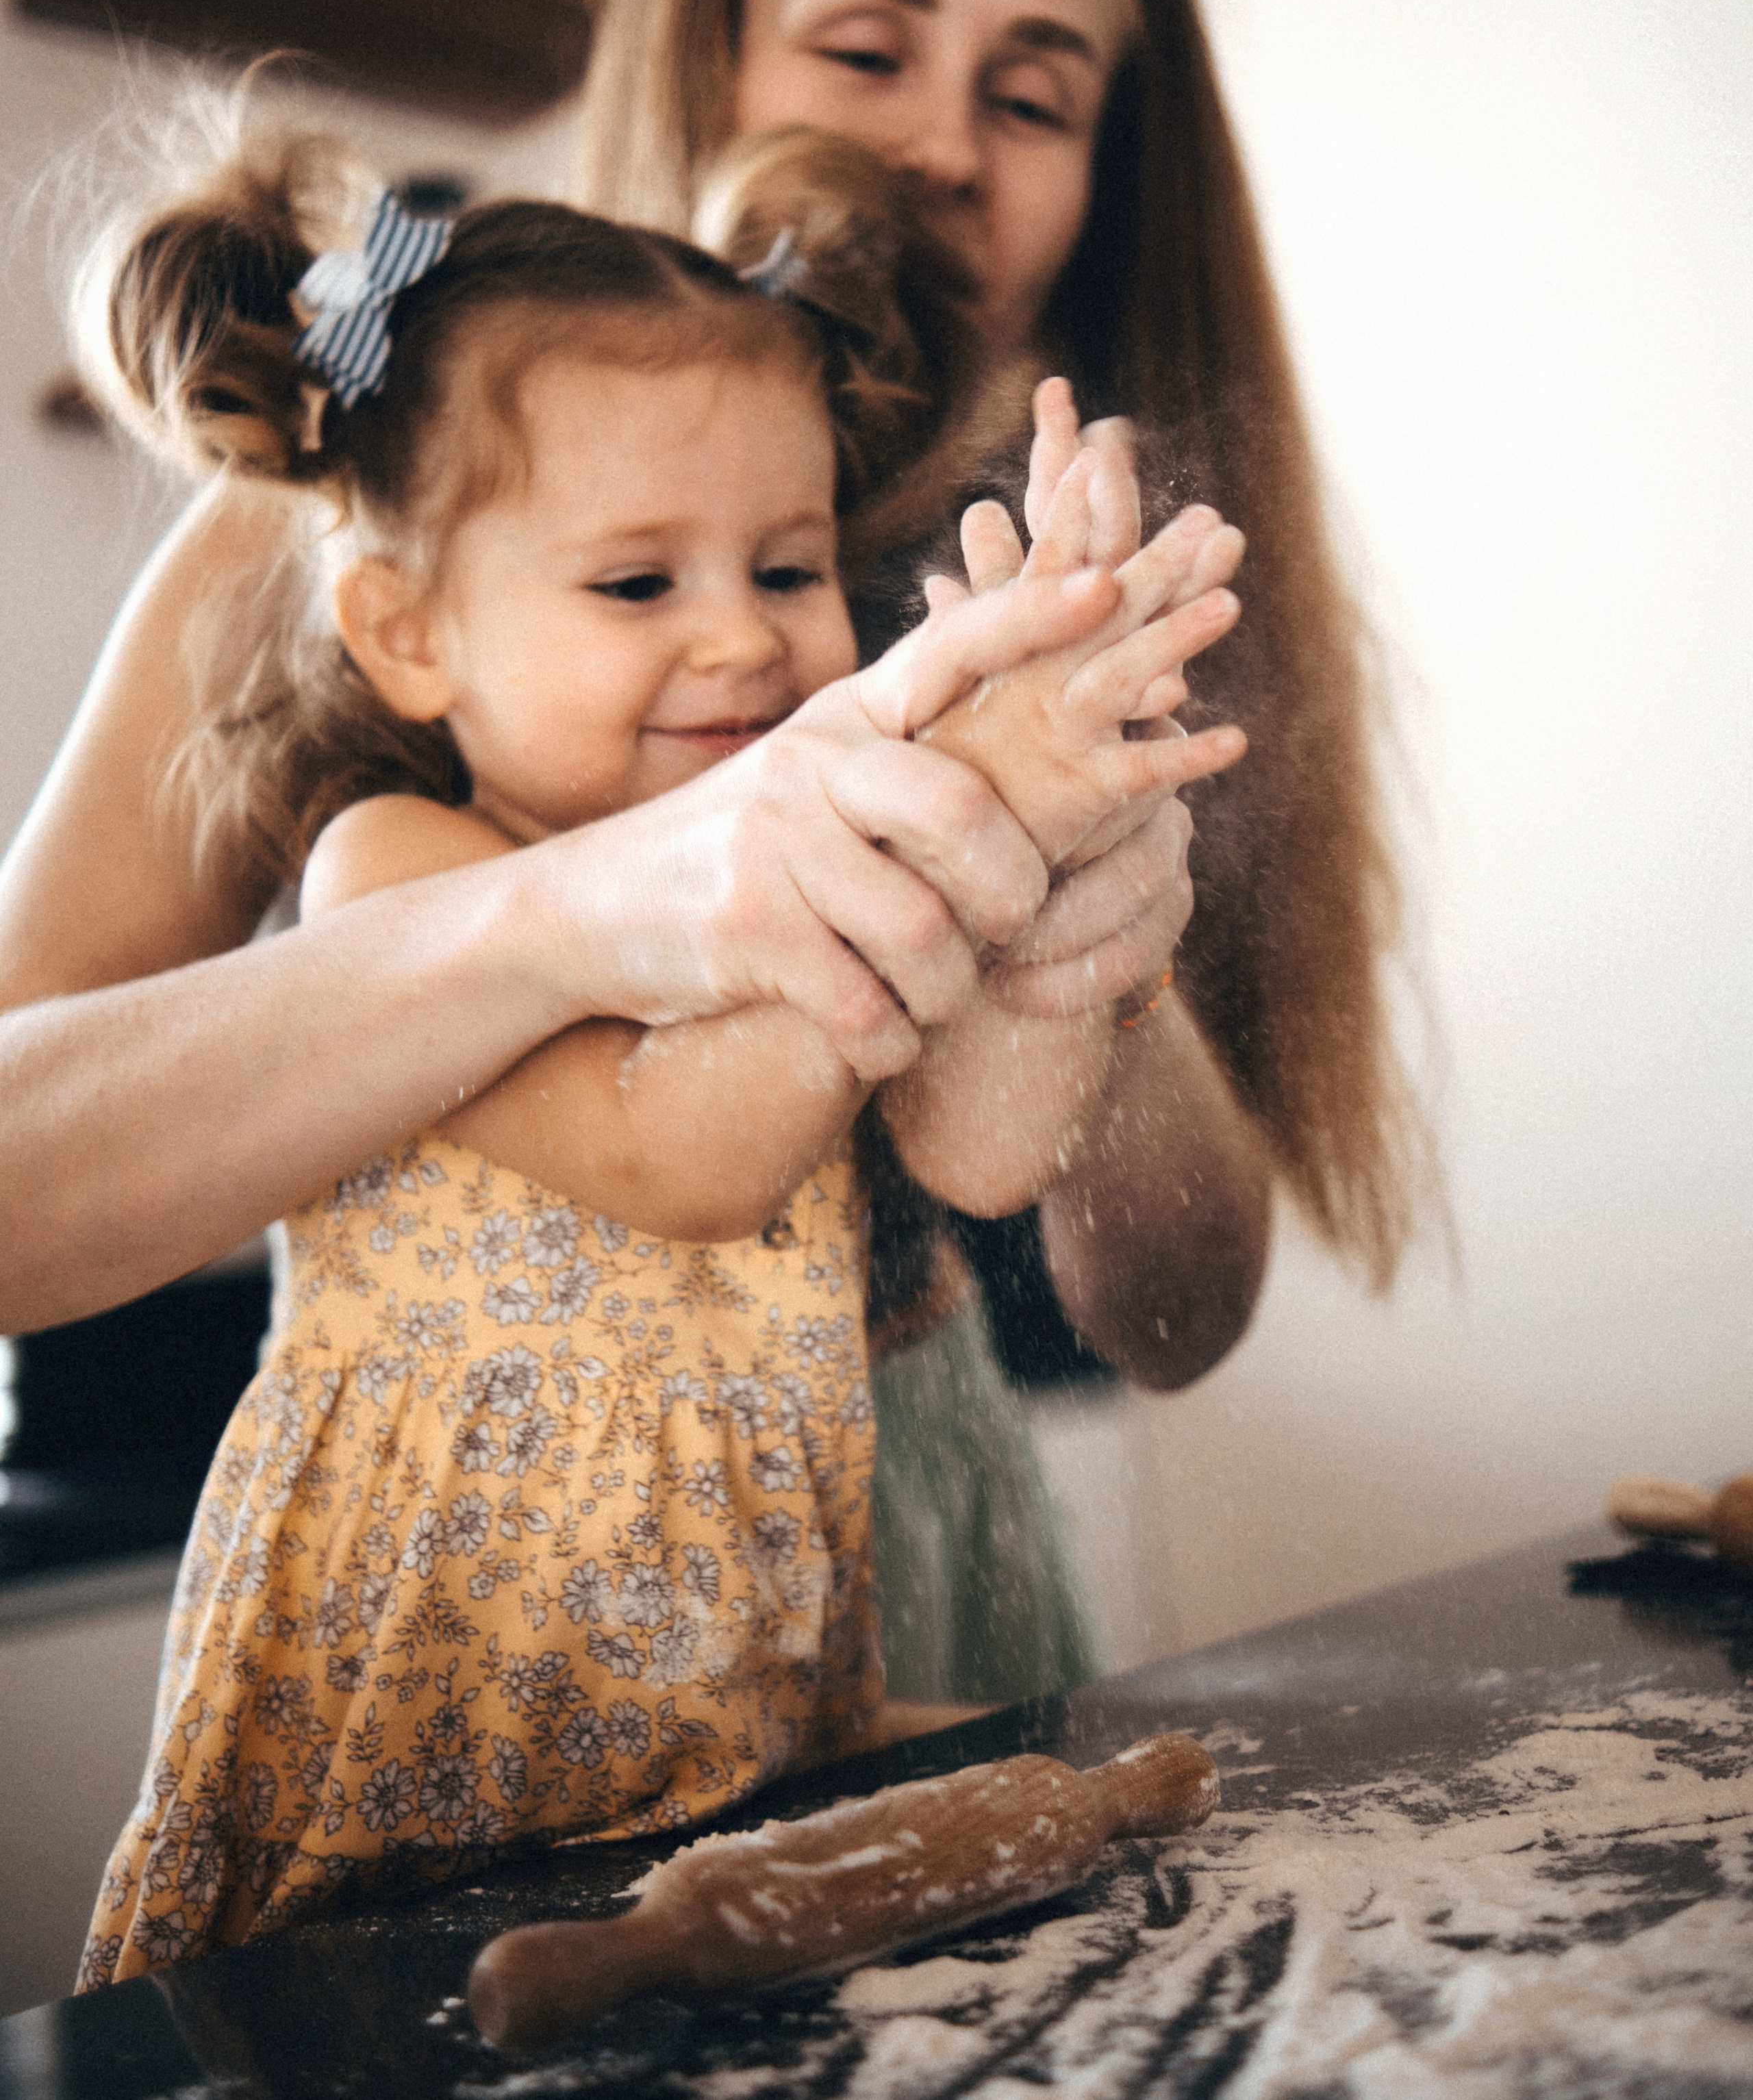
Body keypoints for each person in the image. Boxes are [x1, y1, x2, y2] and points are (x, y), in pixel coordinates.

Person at [0, 0, 1425, 1704]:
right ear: (706, 55)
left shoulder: (1056, 591)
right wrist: (578, 915)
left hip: (874, 1546)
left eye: (1032, 94)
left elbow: (1168, 1311)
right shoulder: (368, 490)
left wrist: (1082, 885)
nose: (942, 146)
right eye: (866, 46)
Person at [73, 119, 1246, 1984]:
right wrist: (973, 796)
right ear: (409, 635)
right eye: (637, 587)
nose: (741, 641)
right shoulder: (401, 863)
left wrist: (1060, 816)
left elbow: (983, 1153)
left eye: (786, 570)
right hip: (425, 1766)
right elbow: (682, 1150)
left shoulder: (806, 870)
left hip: (735, 1724)